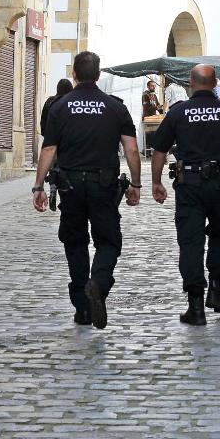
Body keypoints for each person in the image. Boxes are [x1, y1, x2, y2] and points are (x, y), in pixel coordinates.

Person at [32, 51, 141, 329]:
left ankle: (82, 307)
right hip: (103, 185)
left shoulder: (60, 107)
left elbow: (49, 148)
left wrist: (38, 185)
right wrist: (137, 184)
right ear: (99, 74)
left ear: (74, 75)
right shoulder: (115, 106)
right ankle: (99, 284)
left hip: (70, 186)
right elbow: (130, 148)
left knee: (75, 242)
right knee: (108, 241)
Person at [151, 64, 220, 326]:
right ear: (214, 83)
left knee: (190, 242)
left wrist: (156, 182)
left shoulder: (178, 112)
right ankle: (215, 288)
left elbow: (159, 151)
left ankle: (196, 305)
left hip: (189, 184)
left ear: (190, 83)